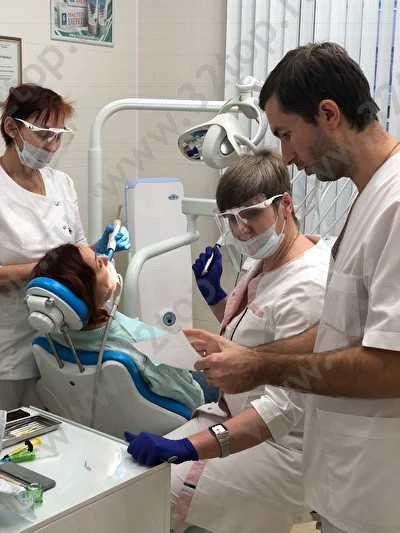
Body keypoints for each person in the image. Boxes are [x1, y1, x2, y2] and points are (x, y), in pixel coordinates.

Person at [124, 42, 400, 533]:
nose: (287, 156)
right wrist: (245, 350)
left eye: (287, 134)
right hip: (341, 471)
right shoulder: (369, 199)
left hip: (373, 482)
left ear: (329, 114)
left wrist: (260, 365)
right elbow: (337, 334)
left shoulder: (394, 204)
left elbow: (391, 365)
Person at [129, 150, 331, 533]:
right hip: (238, 418)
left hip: (283, 447)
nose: (240, 231)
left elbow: (282, 409)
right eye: (230, 219)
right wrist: (218, 299)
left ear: (285, 205)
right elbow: (261, 339)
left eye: (251, 214)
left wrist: (189, 447)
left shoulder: (308, 286)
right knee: (137, 478)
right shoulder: (269, 261)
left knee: (151, 494)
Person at [0, 83, 130, 410]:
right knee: (10, 433)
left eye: (58, 136)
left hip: (64, 342)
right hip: (10, 344)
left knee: (57, 429)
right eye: (44, 134)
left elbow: (78, 249)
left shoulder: (61, 184)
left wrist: (100, 249)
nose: (52, 145)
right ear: (12, 127)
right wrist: (43, 271)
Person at [30, 243, 204, 410]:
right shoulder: (144, 344)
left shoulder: (51, 337)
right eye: (99, 264)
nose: (106, 258)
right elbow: (193, 400)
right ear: (87, 290)